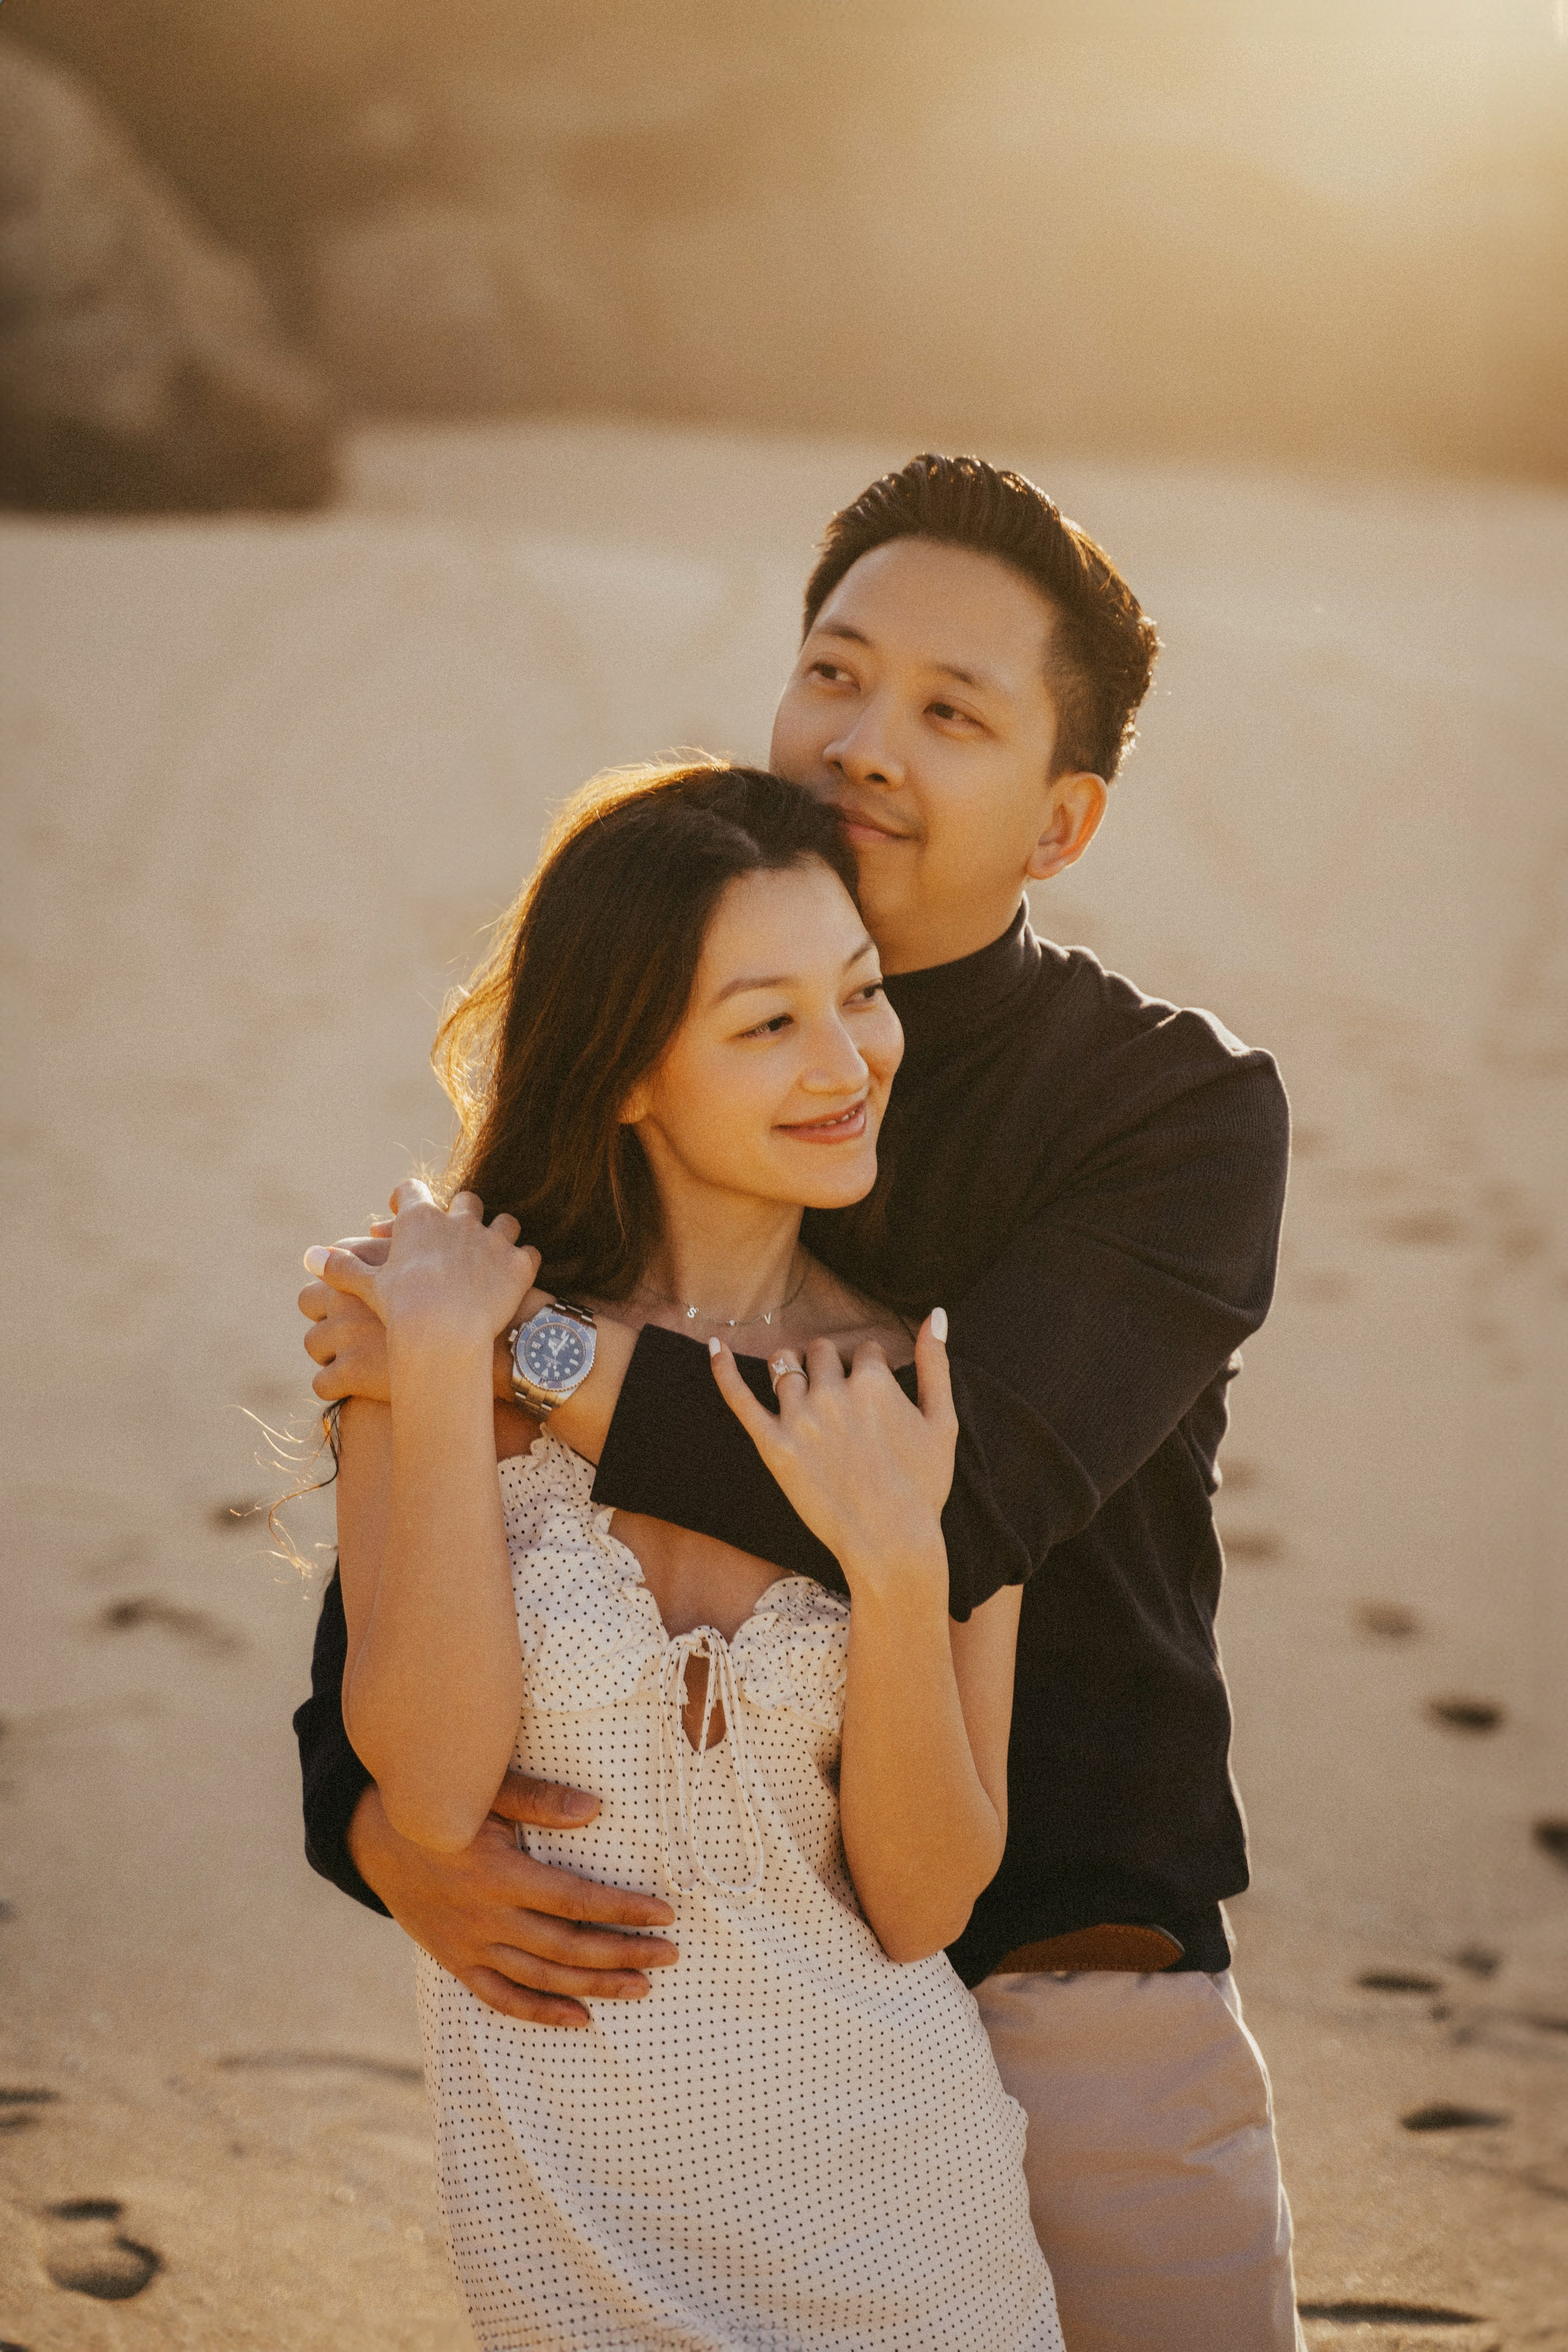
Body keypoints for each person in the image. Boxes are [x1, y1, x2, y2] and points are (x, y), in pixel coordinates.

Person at [298, 454, 1303, 2352]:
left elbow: (957, 1503)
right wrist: (374, 1825)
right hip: (671, 2054)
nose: (862, 744)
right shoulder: (614, 1120)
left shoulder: (1172, 1112)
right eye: (834, 673)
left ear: (1063, 819)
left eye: (950, 712)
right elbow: (418, 1605)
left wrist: (514, 1354)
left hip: (1075, 1996)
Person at [325, 759, 1063, 2350]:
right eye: (767, 1023)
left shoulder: (929, 1386)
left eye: (860, 993)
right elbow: (434, 1791)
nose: (847, 1063)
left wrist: (899, 1567)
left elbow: (923, 1902)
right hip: (570, 2258)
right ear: (625, 1072)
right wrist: (449, 1365)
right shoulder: (437, 1348)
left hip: (911, 2242)